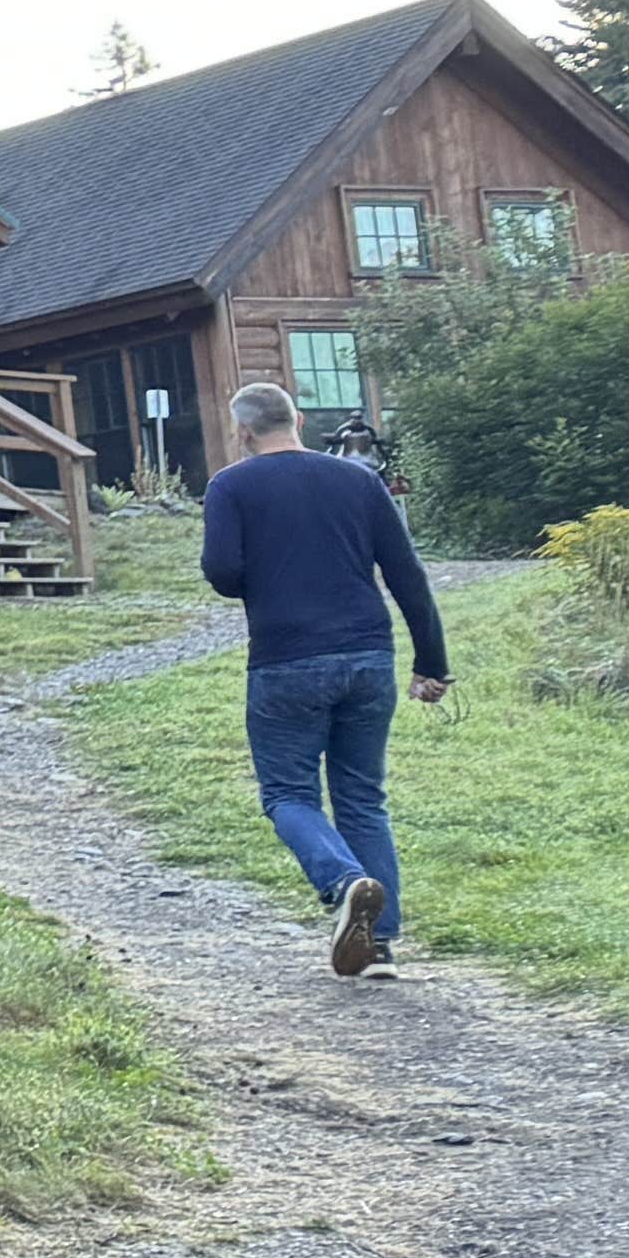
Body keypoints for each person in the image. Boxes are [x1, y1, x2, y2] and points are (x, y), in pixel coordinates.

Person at [200, 376, 446, 974]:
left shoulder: (229, 486)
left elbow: (223, 574)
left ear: (243, 431)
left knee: (287, 794)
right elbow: (407, 573)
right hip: (367, 658)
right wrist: (432, 664)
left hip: (286, 660)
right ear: (299, 422)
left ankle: (344, 884)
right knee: (363, 797)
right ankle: (379, 944)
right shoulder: (359, 480)